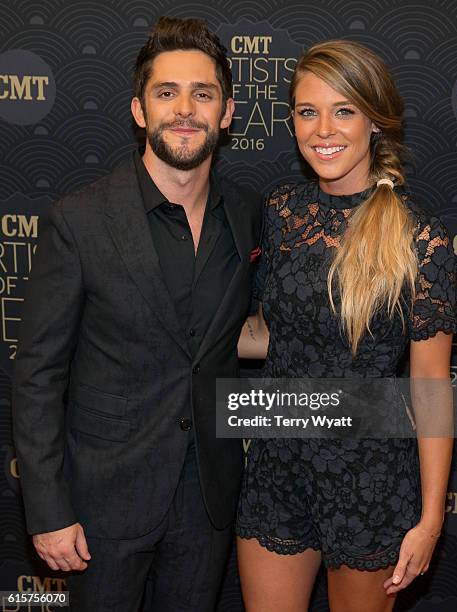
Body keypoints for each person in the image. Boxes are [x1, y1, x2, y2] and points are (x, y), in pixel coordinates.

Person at [12, 16, 262, 612]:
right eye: (166, 92)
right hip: (102, 503)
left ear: (226, 114)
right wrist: (47, 510)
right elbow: (38, 373)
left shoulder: (250, 215)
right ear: (138, 109)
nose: (185, 109)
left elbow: (232, 337)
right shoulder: (80, 220)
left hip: (208, 500)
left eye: (203, 94)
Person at [236, 40, 457, 612]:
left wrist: (432, 518)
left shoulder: (420, 241)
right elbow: (276, 333)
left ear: (375, 121)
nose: (323, 129)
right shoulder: (282, 211)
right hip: (276, 467)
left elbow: (430, 388)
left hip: (369, 480)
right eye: (308, 112)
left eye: (344, 110)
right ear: (292, 122)